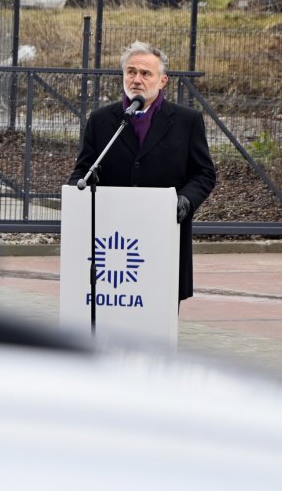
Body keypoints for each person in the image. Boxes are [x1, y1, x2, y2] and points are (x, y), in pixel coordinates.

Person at [67, 41, 216, 303]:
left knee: (157, 313)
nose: (137, 79)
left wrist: (186, 200)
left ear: (162, 81)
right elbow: (83, 170)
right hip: (111, 238)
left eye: (145, 73)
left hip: (162, 233)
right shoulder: (102, 120)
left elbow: (204, 173)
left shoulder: (186, 121)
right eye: (131, 72)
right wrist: (79, 195)